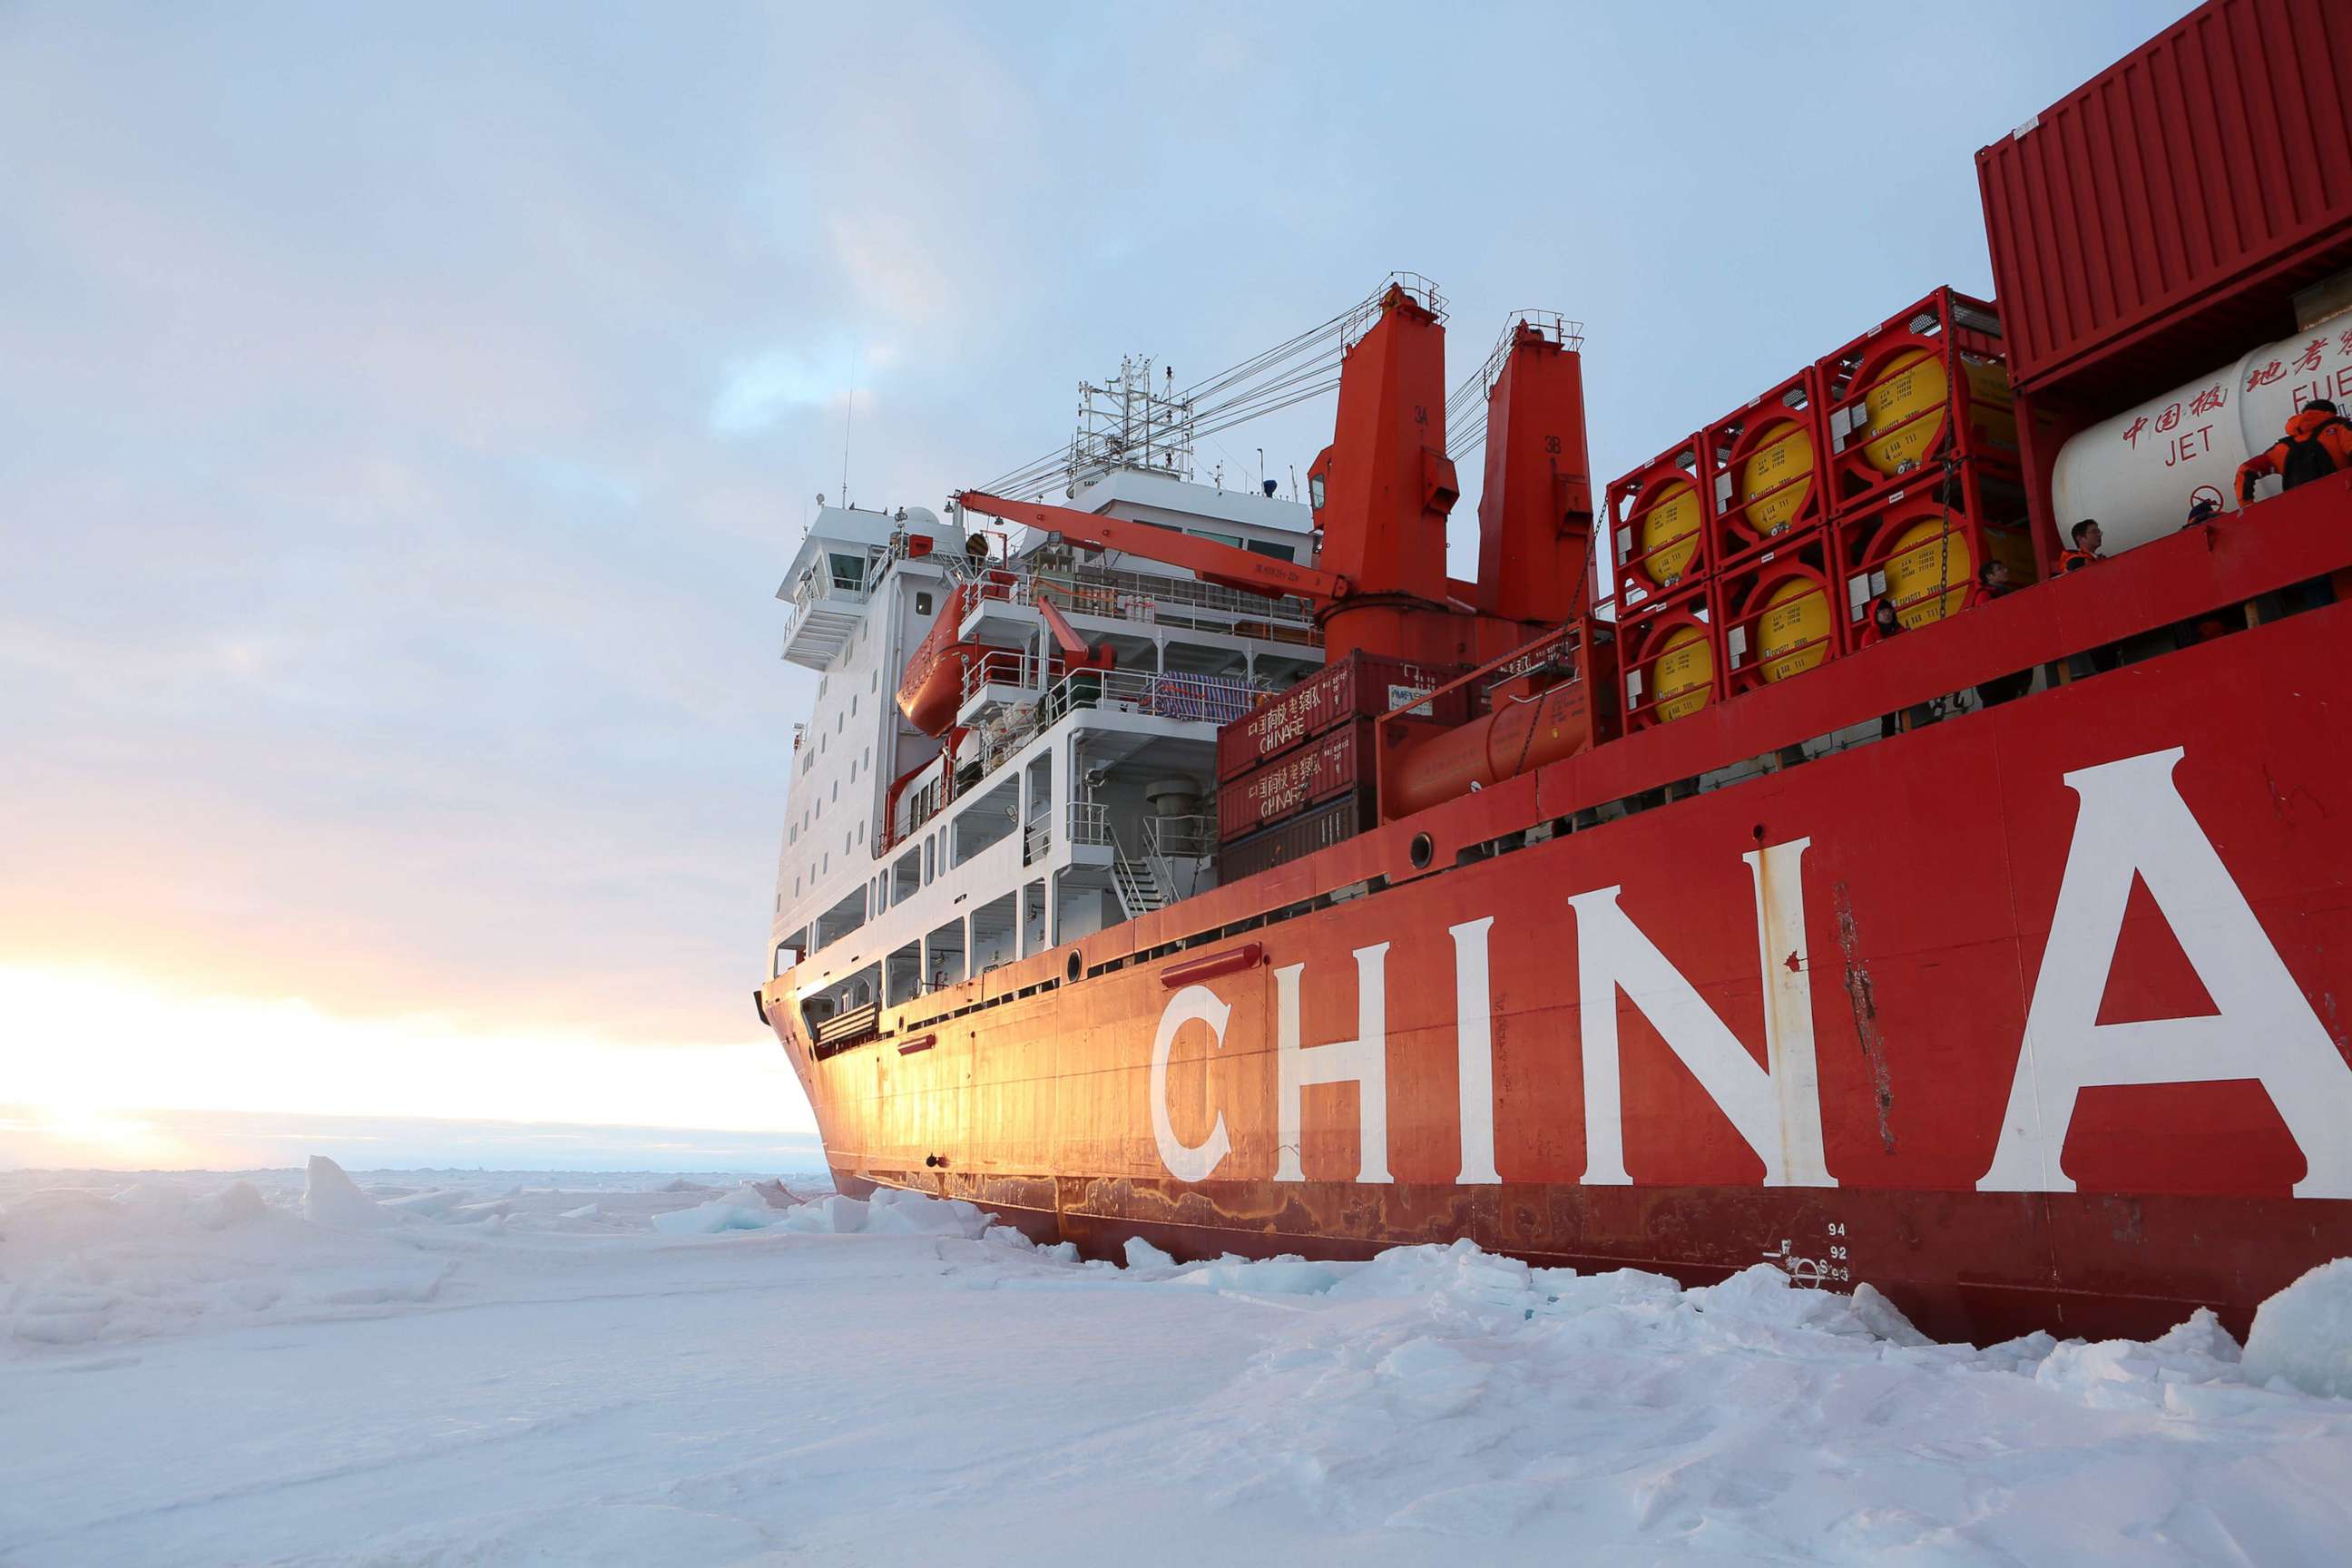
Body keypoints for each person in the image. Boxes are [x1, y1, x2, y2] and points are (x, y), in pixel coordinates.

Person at [2235, 398, 2352, 505]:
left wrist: (2247, 507)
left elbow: (2245, 470)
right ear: (2331, 413)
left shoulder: (2282, 448)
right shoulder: (2339, 428)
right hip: (2343, 503)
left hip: (2301, 516)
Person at [1966, 562, 2033, 706]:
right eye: (2000, 569)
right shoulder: (1985, 595)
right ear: (1989, 576)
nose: (2006, 570)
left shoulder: (2004, 593)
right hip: (1995, 659)